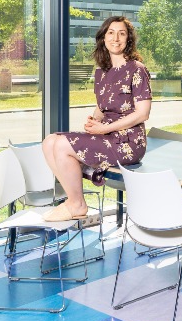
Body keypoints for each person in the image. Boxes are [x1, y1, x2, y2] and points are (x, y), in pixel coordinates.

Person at [42, 16, 152, 222]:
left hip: (128, 142)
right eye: (111, 33)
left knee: (62, 146)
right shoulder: (102, 72)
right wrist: (94, 120)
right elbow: (103, 106)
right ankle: (76, 194)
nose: (116, 38)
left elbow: (142, 113)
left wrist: (102, 129)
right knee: (49, 143)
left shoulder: (137, 69)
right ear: (103, 38)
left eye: (122, 33)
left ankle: (77, 204)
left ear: (129, 39)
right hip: (107, 134)